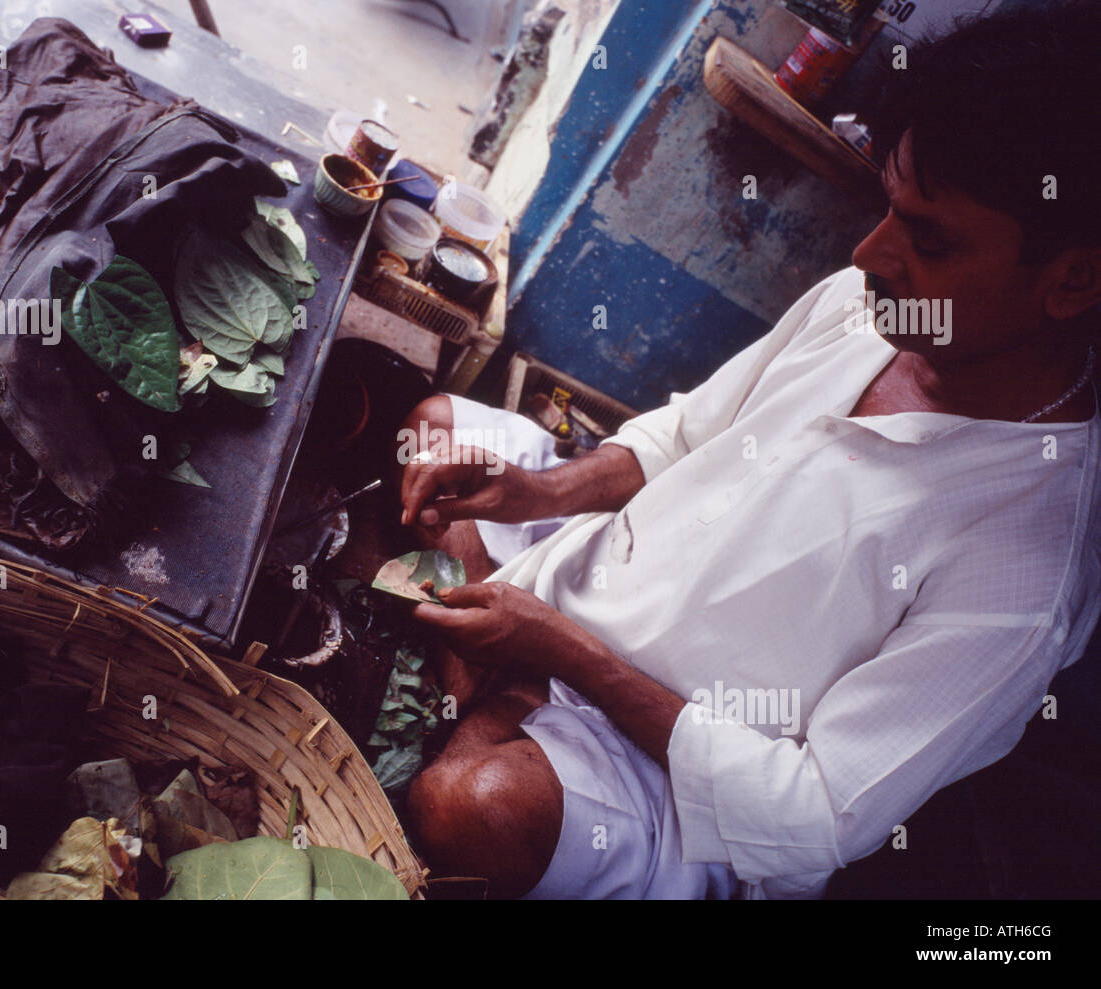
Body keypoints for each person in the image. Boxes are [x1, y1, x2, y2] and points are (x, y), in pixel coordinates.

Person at [394, 0, 1101, 898]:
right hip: (579, 594)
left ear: (1075, 278)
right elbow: (687, 433)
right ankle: (493, 685)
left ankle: (491, 692)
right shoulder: (876, 303)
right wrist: (535, 495)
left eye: (929, 238)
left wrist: (571, 655)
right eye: (889, 208)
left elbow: (809, 816)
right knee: (436, 428)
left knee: (471, 808)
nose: (869, 252)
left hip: (669, 774)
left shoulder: (1023, 574)